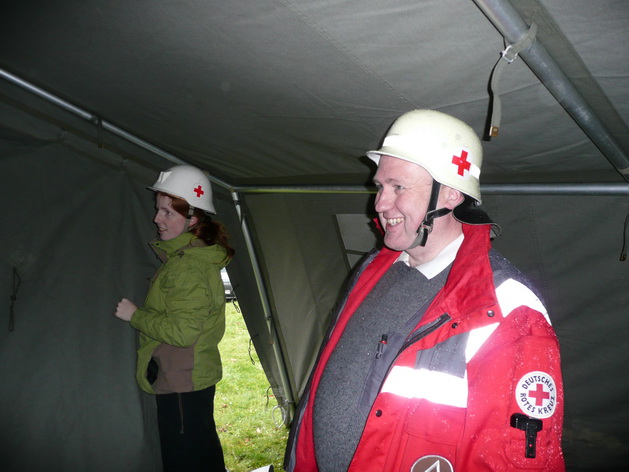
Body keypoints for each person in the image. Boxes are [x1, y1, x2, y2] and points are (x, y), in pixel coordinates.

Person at [285, 110, 565, 471]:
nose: (379, 204)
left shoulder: (506, 310)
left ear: (450, 193)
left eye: (398, 187)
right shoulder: (374, 268)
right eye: (380, 187)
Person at [115, 164, 234, 472]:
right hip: (188, 377)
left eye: (168, 212)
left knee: (186, 461)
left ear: (192, 219)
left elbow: (182, 332)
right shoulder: (187, 258)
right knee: (202, 454)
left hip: (182, 381)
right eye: (158, 210)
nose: (157, 219)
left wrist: (135, 315)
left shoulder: (187, 266)